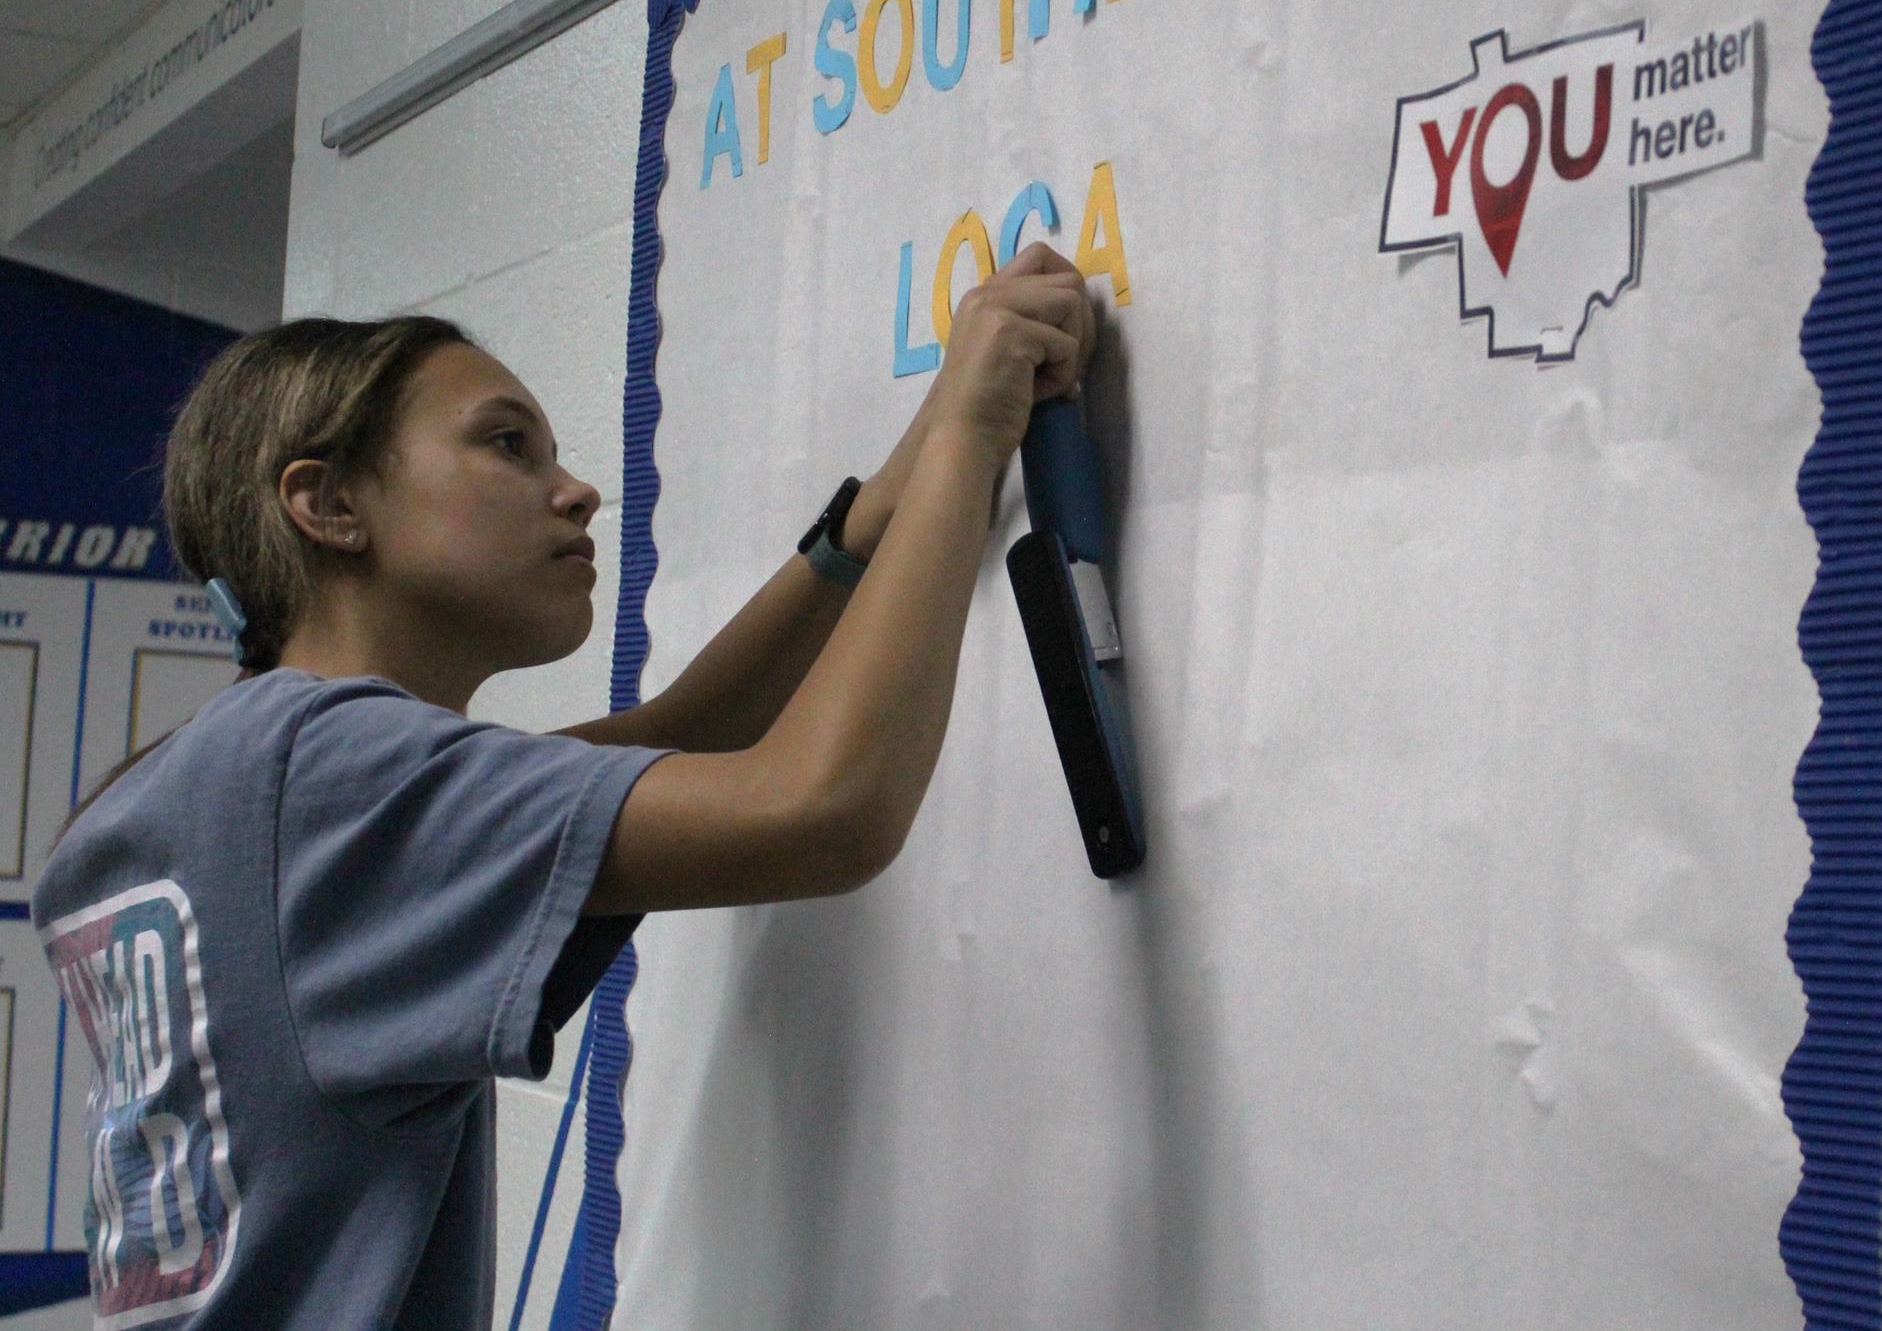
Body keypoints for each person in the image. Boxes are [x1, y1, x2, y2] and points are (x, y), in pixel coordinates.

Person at [31, 240, 1095, 1328]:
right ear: (329, 503)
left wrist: (869, 517)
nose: (578, 490)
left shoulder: (183, 794)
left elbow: (666, 737)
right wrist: (970, 437)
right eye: (506, 444)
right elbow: (823, 808)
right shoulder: (328, 774)